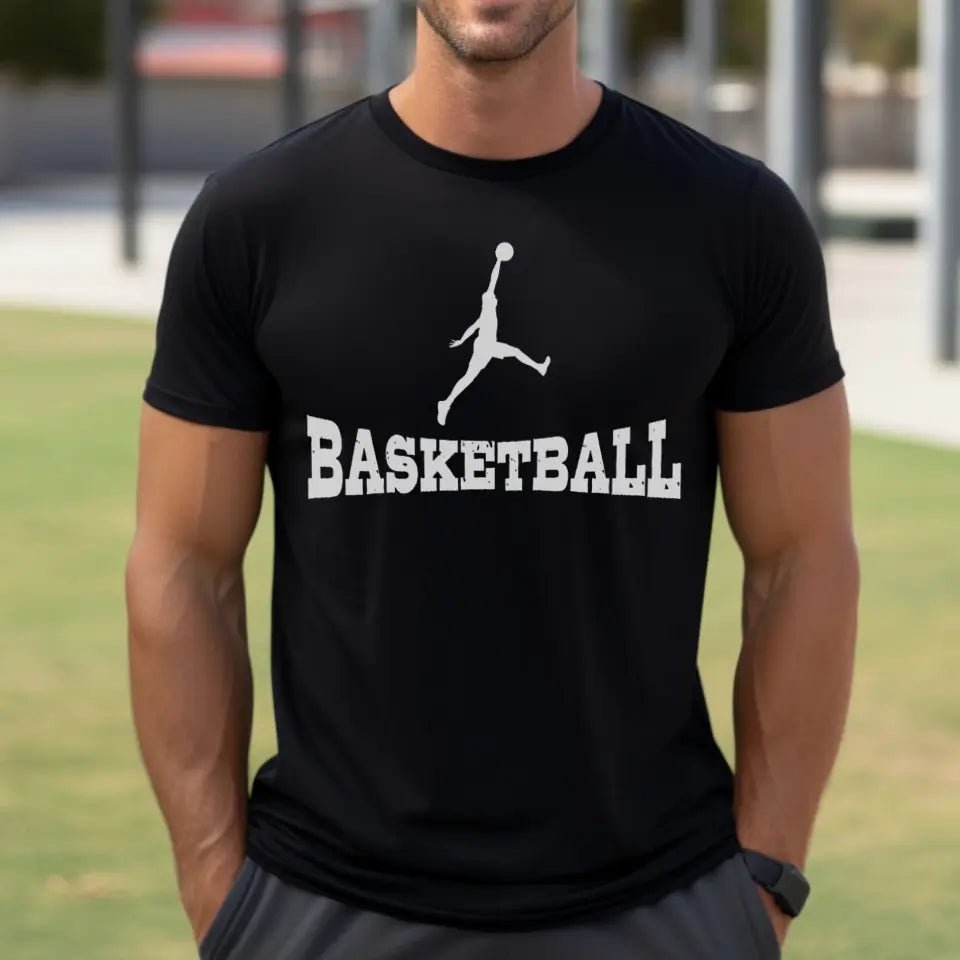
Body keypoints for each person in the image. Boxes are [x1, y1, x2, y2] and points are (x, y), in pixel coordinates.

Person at [125, 1, 859, 957]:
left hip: (657, 905)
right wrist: (223, 898)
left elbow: (804, 558)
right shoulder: (259, 221)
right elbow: (181, 563)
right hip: (325, 906)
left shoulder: (732, 221)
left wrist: (762, 885)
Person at [439, 241, 551, 426]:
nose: (495, 297)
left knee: (513, 353)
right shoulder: (488, 305)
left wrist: (462, 340)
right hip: (485, 346)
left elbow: (473, 327)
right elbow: (493, 280)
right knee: (469, 377)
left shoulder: (487, 313)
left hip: (489, 345)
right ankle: (446, 403)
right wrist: (498, 261)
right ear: (489, 300)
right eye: (492, 296)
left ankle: (539, 368)